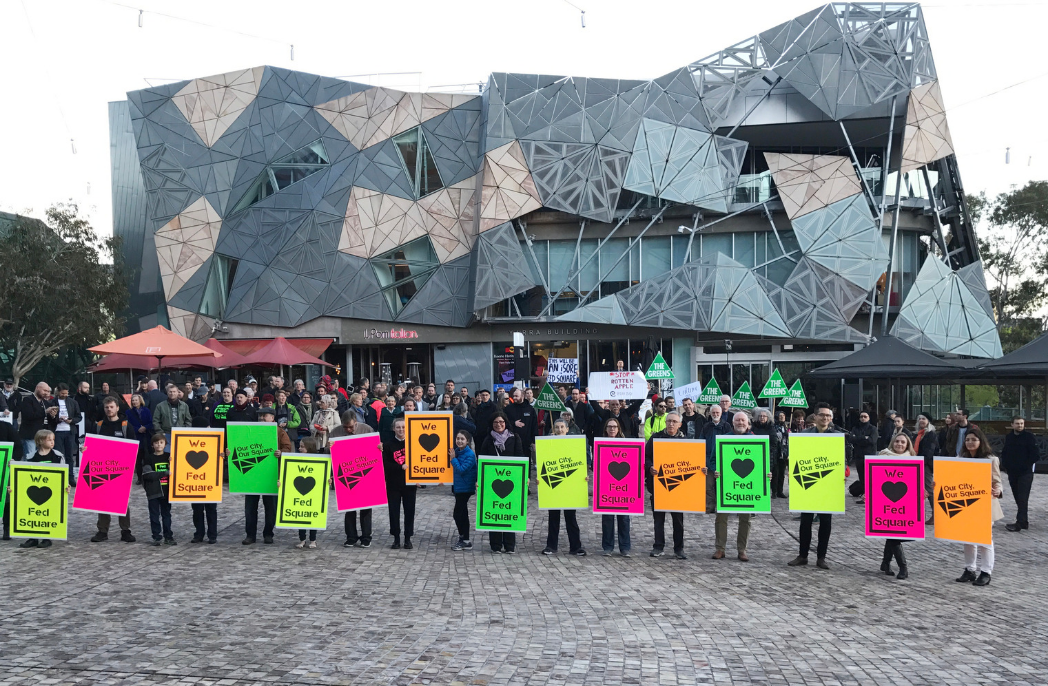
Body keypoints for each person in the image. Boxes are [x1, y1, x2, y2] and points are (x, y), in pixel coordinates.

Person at [788, 403, 848, 570]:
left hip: (827, 484)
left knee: (825, 522)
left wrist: (842, 474)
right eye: (822, 415)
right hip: (808, 482)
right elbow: (797, 457)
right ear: (815, 416)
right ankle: (803, 555)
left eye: (828, 416)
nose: (825, 418)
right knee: (805, 521)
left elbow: (841, 459)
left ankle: (822, 557)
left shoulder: (836, 435)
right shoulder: (805, 434)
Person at [953, 427, 1004, 586]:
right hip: (965, 504)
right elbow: (952, 478)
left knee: (984, 540)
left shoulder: (991, 459)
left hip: (984, 504)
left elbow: (997, 481)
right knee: (968, 539)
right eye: (967, 440)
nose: (970, 442)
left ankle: (986, 572)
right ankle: (970, 569)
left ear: (980, 442)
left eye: (973, 440)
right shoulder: (960, 458)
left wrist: (998, 490)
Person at [713, 411, 761, 562]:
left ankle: (742, 550)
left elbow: (761, 463)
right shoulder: (723, 439)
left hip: (747, 487)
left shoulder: (755, 440)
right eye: (738, 420)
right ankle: (720, 548)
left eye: (743, 420)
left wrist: (766, 475)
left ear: (748, 423)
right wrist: (715, 470)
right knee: (721, 517)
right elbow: (713, 459)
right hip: (725, 485)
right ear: (732, 423)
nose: (740, 423)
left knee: (746, 518)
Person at [90, 397, 136, 543]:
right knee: (102, 500)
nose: (109, 410)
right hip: (102, 468)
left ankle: (125, 530)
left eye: (111, 407)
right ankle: (102, 531)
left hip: (121, 468)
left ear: (117, 408)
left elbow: (134, 446)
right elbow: (91, 446)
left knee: (122, 500)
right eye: (106, 407)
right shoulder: (99, 425)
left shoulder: (125, 425)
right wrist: (85, 450)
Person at [478, 412, 525, 553]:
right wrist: (479, 479)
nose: (499, 424)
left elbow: (521, 456)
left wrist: (525, 476)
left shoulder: (515, 438)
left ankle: (510, 545)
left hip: (512, 480)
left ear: (505, 423)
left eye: (501, 422)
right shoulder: (488, 440)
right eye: (496, 422)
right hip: (492, 482)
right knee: (495, 511)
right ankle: (496, 545)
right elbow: (482, 460)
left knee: (510, 511)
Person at [243, 406, 289, 545]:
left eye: (265, 415)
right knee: (250, 508)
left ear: (272, 418)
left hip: (271, 475)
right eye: (260, 415)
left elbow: (287, 448)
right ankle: (250, 535)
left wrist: (281, 452)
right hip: (253, 476)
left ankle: (268, 533)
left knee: (271, 507)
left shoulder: (280, 432)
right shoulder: (251, 432)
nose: (262, 418)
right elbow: (241, 447)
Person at [540, 419, 586, 557]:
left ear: (567, 429)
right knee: (553, 516)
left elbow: (580, 464)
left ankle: (576, 547)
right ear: (553, 430)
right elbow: (543, 463)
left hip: (570, 486)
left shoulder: (574, 444)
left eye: (562, 427)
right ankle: (551, 546)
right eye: (557, 427)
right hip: (553, 485)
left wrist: (584, 477)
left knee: (571, 517)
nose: (560, 430)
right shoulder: (548, 444)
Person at [645, 411, 687, 559]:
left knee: (678, 521)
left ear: (680, 424)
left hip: (678, 487)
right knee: (658, 520)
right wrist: (650, 467)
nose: (671, 424)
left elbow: (691, 461)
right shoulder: (656, 438)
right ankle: (658, 546)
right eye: (669, 421)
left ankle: (679, 549)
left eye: (674, 422)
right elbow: (646, 456)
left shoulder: (686, 441)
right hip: (658, 485)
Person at [330, 411, 375, 548]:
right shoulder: (336, 432)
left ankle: (366, 537)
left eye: (350, 427)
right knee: (349, 508)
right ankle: (351, 537)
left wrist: (379, 447)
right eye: (345, 427)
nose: (348, 430)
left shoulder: (367, 429)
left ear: (356, 422)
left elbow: (374, 451)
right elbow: (330, 456)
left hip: (365, 472)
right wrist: (329, 448)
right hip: (345, 473)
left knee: (366, 508)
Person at [17, 430, 67, 549]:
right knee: (33, 512)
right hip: (34, 490)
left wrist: (66, 486)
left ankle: (46, 538)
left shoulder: (58, 456)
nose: (52, 442)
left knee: (48, 513)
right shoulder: (30, 457)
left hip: (52, 491)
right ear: (40, 441)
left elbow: (63, 474)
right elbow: (24, 475)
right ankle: (32, 538)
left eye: (53, 440)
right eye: (49, 439)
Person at [878, 433, 916, 579]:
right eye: (897, 441)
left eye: (903, 442)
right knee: (893, 534)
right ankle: (903, 567)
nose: (900, 444)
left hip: (905, 502)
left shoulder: (912, 460)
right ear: (893, 442)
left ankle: (885, 563)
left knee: (892, 533)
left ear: (907, 445)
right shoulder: (883, 457)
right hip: (885, 501)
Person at [598, 416, 632, 557]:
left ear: (618, 429)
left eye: (614, 426)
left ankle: (625, 547)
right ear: (606, 429)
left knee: (624, 518)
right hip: (607, 486)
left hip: (624, 487)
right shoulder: (600, 444)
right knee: (607, 518)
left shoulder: (627, 444)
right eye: (609, 426)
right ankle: (608, 546)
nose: (612, 429)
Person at [383, 416, 416, 550]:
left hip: (410, 484)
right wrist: (400, 467)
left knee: (409, 511)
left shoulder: (413, 443)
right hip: (393, 484)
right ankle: (396, 538)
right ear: (393, 429)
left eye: (403, 427)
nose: (401, 429)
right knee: (394, 511)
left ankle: (408, 538)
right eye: (398, 427)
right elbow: (385, 465)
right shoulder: (388, 444)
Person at [1002, 416, 1038, 532]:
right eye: (1017, 424)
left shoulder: (1029, 437)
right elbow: (1005, 452)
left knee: (1023, 497)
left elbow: (1035, 454)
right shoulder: (1009, 437)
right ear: (1012, 425)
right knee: (1017, 497)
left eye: (1022, 423)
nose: (1020, 426)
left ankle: (1020, 522)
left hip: (1025, 473)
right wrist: (1006, 466)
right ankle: (1024, 521)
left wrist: (1025, 465)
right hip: (1012, 472)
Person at [142, 432, 175, 546]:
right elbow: (148, 474)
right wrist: (165, 472)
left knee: (167, 515)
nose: (159, 445)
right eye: (156, 443)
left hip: (167, 492)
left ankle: (168, 536)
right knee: (154, 516)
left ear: (165, 444)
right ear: (152, 445)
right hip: (153, 492)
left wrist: (173, 463)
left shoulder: (169, 456)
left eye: (161, 442)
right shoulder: (148, 458)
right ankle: (156, 537)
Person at [450, 429, 478, 551]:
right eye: (458, 438)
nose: (459, 441)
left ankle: (465, 538)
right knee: (462, 513)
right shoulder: (457, 451)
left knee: (458, 513)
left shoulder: (470, 455)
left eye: (462, 439)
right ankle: (464, 538)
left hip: (465, 488)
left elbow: (462, 469)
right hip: (458, 487)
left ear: (467, 441)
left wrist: (453, 459)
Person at [50, 383, 82, 479]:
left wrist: (71, 421)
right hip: (57, 431)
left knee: (69, 455)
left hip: (70, 431)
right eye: (63, 393)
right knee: (58, 454)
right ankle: (58, 476)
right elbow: (49, 418)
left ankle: (70, 476)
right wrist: (57, 419)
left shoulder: (73, 402)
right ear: (58, 392)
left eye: (66, 393)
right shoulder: (52, 402)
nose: (64, 395)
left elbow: (79, 416)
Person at [751, 409, 784, 498]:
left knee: (770, 473)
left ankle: (773, 492)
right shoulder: (754, 427)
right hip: (755, 454)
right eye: (760, 416)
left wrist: (765, 450)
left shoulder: (771, 428)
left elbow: (774, 442)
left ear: (767, 417)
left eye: (764, 416)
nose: (762, 418)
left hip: (769, 454)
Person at [0, 419, 23, 540]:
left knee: (6, 499)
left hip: (4, 468)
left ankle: (7, 528)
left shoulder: (5, 426)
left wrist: (14, 459)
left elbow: (18, 446)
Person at [848, 410, 878, 502]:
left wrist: (858, 439)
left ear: (869, 418)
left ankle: (869, 495)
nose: (863, 418)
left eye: (865, 416)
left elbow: (872, 440)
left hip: (869, 456)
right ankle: (864, 494)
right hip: (859, 456)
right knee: (861, 477)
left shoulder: (873, 429)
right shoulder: (855, 428)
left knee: (869, 477)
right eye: (861, 416)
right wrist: (864, 438)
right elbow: (851, 439)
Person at [912, 414, 938, 524]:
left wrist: (922, 463)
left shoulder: (930, 434)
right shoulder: (918, 434)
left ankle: (936, 514)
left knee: (928, 489)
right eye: (919, 419)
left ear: (928, 421)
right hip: (916, 462)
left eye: (923, 419)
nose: (921, 421)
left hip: (925, 464)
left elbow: (929, 451)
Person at [18, 382, 54, 458]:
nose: (46, 393)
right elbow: (29, 415)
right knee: (30, 457)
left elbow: (48, 419)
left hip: (42, 436)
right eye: (44, 390)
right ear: (37, 388)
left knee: (41, 457)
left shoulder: (45, 402)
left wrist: (52, 415)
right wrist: (45, 411)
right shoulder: (27, 400)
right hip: (30, 434)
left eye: (48, 391)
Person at [504, 388, 538, 464]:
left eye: (516, 396)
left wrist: (534, 441)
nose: (514, 398)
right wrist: (514, 423)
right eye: (513, 396)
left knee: (526, 464)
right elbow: (504, 422)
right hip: (512, 442)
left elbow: (534, 426)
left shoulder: (530, 409)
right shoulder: (508, 409)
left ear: (522, 396)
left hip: (526, 442)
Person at [126, 393, 153, 481]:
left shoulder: (146, 410)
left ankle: (148, 475)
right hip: (136, 436)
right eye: (133, 400)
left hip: (146, 437)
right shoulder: (128, 412)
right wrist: (137, 429)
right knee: (138, 458)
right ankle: (139, 477)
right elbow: (128, 424)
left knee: (147, 457)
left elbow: (151, 422)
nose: (134, 402)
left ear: (140, 401)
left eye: (136, 400)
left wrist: (145, 427)